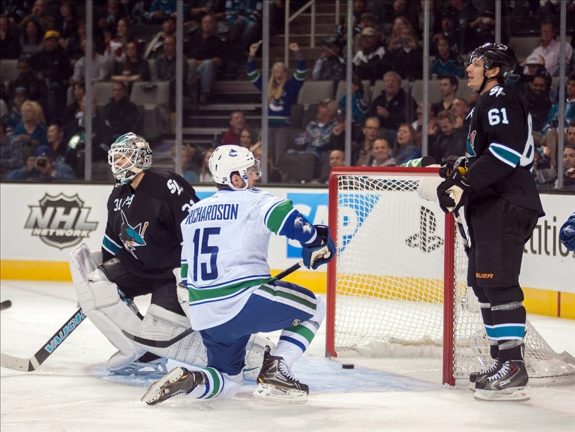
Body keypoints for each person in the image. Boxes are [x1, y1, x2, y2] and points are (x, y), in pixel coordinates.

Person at [141, 144, 334, 405]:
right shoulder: (254, 199)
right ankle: (278, 366)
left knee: (228, 380)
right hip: (242, 300)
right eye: (249, 171)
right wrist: (314, 240)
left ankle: (191, 380)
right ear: (235, 178)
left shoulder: (194, 213)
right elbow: (286, 219)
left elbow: (186, 273)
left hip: (203, 311)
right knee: (314, 307)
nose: (254, 175)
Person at [436, 43, 544, 401]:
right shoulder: (483, 105)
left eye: (476, 63)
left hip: (506, 200)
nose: (469, 69)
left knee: (498, 284)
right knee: (484, 286)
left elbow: (505, 153)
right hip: (490, 203)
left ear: (494, 70)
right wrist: (458, 167)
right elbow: (483, 154)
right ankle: (502, 361)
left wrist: (464, 182)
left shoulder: (498, 98)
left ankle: (513, 366)